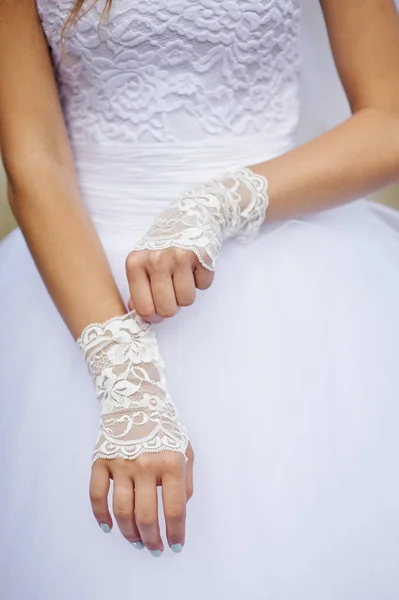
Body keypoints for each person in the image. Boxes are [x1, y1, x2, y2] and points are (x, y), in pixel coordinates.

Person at [1, 0, 399, 598]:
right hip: (77, 283)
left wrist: (217, 203)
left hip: (286, 272)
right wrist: (127, 383)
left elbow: (390, 118)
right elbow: (34, 158)